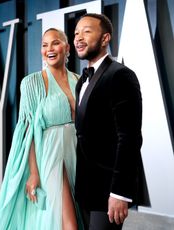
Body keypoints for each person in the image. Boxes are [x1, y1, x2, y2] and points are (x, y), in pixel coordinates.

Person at [0, 28, 82, 230]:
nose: (49, 48)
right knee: (69, 223)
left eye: (55, 43)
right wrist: (33, 172)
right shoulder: (31, 83)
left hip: (78, 153)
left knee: (76, 214)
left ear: (67, 48)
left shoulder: (80, 80)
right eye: (44, 44)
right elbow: (27, 132)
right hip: (50, 154)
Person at [74, 13, 143, 230]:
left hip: (108, 189)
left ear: (105, 39)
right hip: (85, 187)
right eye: (76, 33)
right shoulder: (82, 81)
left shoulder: (121, 75)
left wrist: (120, 192)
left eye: (86, 31)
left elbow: (129, 138)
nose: (78, 38)